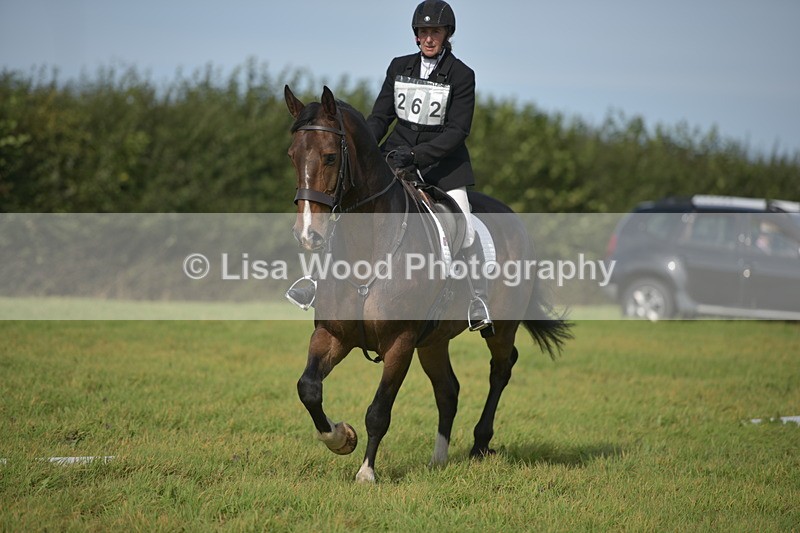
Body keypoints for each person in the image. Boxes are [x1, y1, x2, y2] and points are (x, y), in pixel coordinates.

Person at [287, 0, 493, 334]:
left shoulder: (461, 75)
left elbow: (457, 131)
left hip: (444, 165)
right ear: (416, 36)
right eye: (423, 32)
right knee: (346, 206)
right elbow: (381, 117)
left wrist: (417, 156)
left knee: (466, 225)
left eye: (435, 32)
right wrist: (369, 150)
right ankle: (313, 280)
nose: (429, 38)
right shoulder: (399, 67)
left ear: (446, 35)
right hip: (394, 157)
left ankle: (476, 300)